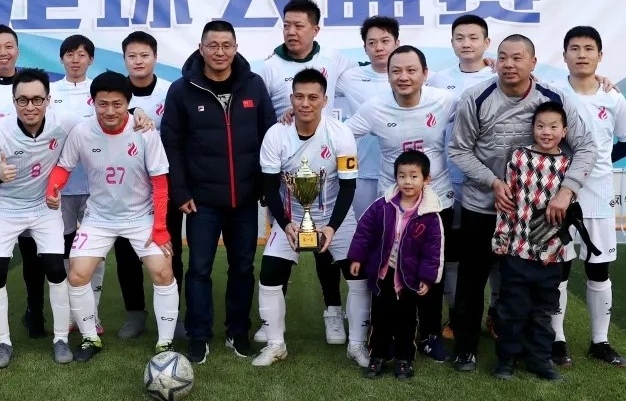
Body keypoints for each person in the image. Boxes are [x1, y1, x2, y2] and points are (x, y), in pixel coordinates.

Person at [448, 34, 597, 372]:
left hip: (537, 214)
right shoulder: (476, 97)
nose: (509, 64)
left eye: (517, 58)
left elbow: (586, 146)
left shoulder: (553, 98)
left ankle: (532, 350)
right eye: (502, 57)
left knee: (530, 285)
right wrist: (493, 182)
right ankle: (466, 348)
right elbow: (459, 150)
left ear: (533, 62)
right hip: (482, 205)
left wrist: (566, 192)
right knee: (472, 279)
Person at [162, 20, 276, 364]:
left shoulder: (253, 85)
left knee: (242, 268)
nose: (220, 52)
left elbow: (269, 137)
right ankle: (198, 336)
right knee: (199, 269)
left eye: (227, 45)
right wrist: (180, 190)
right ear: (201, 48)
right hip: (201, 201)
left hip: (244, 199)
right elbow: (172, 144)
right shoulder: (182, 90)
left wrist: (265, 186)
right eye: (213, 45)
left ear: (236, 48)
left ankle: (237, 333)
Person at [45, 71, 178, 362]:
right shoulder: (82, 131)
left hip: (140, 216)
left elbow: (160, 181)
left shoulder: (145, 131)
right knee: (77, 274)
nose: (109, 111)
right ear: (92, 102)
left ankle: (165, 343)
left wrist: (160, 227)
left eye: (117, 104)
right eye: (102, 104)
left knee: (162, 271)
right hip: (99, 218)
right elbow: (64, 167)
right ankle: (90, 338)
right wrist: (53, 188)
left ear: (128, 103)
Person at [345, 46, 456, 363]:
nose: (403, 77)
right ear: (388, 75)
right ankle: (391, 336)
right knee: (391, 272)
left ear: (425, 73)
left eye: (411, 70)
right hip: (393, 206)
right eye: (396, 71)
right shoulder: (375, 108)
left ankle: (430, 334)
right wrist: (297, 122)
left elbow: (480, 109)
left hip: (437, 201)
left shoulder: (445, 101)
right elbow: (339, 134)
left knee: (431, 271)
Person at [253, 68, 369, 368]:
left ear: (325, 100)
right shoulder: (276, 134)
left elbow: (348, 186)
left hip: (335, 218)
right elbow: (269, 186)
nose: (305, 103)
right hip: (291, 218)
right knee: (269, 274)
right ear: (291, 98)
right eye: (299, 97)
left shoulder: (340, 133)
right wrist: (285, 224)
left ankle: (357, 345)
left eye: (313, 97)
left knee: (358, 275)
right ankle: (276, 345)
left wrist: (332, 227)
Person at [0, 69, 75, 367]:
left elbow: (100, 120)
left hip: (44, 207)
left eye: (37, 100)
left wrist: (136, 114)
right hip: (6, 208)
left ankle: (60, 339)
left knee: (55, 269)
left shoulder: (62, 123)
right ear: (14, 101)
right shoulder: (0, 131)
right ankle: (4, 343)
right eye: (23, 100)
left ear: (48, 100)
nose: (30, 107)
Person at [549, 26, 626, 366]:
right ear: (564, 54)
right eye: (575, 48)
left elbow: (623, 140)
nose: (582, 54)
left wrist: (597, 162)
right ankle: (557, 340)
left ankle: (600, 341)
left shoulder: (613, 98)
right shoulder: (553, 93)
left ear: (600, 55)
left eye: (589, 48)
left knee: (599, 269)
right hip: (559, 194)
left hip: (600, 194)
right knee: (559, 269)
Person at [491, 102, 573, 381]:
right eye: (540, 126)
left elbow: (568, 211)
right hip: (517, 249)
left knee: (543, 311)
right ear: (532, 128)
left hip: (550, 254)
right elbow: (506, 202)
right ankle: (506, 360)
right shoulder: (519, 157)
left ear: (564, 131)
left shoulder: (568, 165)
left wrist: (560, 245)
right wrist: (502, 238)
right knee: (511, 308)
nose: (546, 132)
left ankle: (540, 360)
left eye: (553, 127)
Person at [426, 14, 495, 338]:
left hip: (490, 181)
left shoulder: (499, 76)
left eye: (473, 37)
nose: (466, 44)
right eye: (460, 38)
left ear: (486, 42)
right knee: (451, 252)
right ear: (452, 42)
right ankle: (455, 316)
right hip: (448, 178)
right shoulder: (439, 80)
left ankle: (495, 314)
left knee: (495, 251)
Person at [348, 150, 444, 380]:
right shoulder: (383, 205)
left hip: (409, 279)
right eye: (402, 176)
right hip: (383, 275)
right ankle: (378, 356)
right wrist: (357, 257)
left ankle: (404, 359)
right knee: (380, 317)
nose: (407, 181)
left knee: (407, 320)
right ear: (396, 178)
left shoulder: (430, 215)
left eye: (414, 176)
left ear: (426, 179)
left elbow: (433, 251)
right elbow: (364, 231)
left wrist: (427, 278)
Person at [113, 31, 181, 340]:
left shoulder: (171, 91)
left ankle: (173, 315)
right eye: (132, 56)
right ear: (124, 59)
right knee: (126, 253)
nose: (138, 61)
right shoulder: (116, 93)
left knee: (169, 249)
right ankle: (135, 314)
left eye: (144, 55)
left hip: (164, 183)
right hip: (124, 185)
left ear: (155, 57)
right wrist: (130, 112)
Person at [48, 35, 104, 334]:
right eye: (69, 54)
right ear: (61, 59)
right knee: (65, 250)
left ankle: (93, 315)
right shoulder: (50, 91)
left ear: (90, 59)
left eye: (81, 54)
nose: (75, 60)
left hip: (95, 184)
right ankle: (71, 315)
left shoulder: (99, 91)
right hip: (61, 184)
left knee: (95, 250)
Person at [336, 15, 401, 219]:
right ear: (365, 48)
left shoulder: (414, 76)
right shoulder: (350, 77)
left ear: (397, 43)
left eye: (385, 41)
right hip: (362, 171)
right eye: (372, 43)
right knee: (364, 228)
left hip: (401, 172)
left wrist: (485, 66)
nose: (378, 48)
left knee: (399, 230)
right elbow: (318, 91)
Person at [260, 0, 357, 119]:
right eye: (286, 26)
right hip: (284, 131)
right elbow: (258, 114)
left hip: (326, 131)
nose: (290, 32)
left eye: (298, 26)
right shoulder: (269, 67)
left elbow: (365, 73)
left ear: (315, 30)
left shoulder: (331, 57)